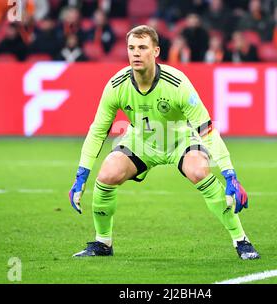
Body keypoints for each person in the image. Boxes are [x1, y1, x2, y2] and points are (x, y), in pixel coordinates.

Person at [69, 25, 260, 260]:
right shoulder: (116, 85)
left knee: (199, 170)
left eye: (142, 47)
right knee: (107, 173)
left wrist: (230, 174)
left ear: (156, 51)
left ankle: (241, 240)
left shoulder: (177, 83)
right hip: (141, 142)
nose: (135, 53)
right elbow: (98, 131)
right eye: (131, 48)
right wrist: (81, 174)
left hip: (179, 139)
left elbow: (207, 130)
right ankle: (103, 243)